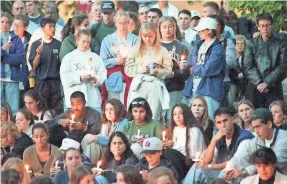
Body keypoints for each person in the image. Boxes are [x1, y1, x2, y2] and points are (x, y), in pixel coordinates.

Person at [183, 107, 254, 183]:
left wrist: (210, 167)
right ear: (216, 124)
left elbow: (234, 162)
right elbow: (206, 161)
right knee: (196, 168)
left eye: (225, 121)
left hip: (239, 172)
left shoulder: (244, 137)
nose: (223, 125)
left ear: (232, 120)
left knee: (227, 171)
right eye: (219, 122)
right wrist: (214, 141)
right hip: (221, 171)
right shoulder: (219, 137)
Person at [223, 108, 287, 182]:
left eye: (258, 126)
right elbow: (238, 158)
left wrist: (246, 171)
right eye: (254, 127)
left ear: (269, 124)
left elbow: (272, 162)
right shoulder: (257, 138)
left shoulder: (284, 139)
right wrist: (227, 170)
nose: (256, 131)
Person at [125, 22, 172, 121]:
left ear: (155, 34)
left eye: (150, 36)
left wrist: (157, 71)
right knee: (136, 113)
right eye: (144, 36)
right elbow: (128, 69)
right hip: (139, 84)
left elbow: (168, 71)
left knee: (153, 114)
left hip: (155, 85)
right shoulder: (135, 50)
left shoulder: (162, 50)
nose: (147, 39)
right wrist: (139, 69)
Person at [182, 17, 225, 120]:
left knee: (209, 119)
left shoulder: (218, 48)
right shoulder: (198, 44)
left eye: (201, 30)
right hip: (192, 87)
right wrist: (186, 66)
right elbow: (189, 63)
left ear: (209, 31)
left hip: (209, 89)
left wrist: (194, 68)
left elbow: (209, 69)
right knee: (189, 119)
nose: (199, 32)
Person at [243, 13, 287, 109]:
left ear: (272, 26)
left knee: (274, 116)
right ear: (258, 27)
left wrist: (267, 82)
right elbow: (248, 66)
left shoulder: (281, 43)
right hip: (254, 86)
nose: (265, 28)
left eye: (268, 25)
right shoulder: (251, 43)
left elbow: (283, 66)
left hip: (274, 86)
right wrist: (259, 82)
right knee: (254, 117)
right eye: (262, 26)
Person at [60, 29, 107, 112]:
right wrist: (79, 78)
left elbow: (103, 74)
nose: (86, 44)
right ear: (77, 40)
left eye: (88, 42)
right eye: (83, 41)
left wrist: (96, 80)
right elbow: (65, 78)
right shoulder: (69, 58)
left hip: (93, 99)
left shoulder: (96, 57)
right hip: (75, 101)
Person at [100, 11, 138, 107]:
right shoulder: (107, 40)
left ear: (129, 23)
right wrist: (115, 61)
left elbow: (140, 57)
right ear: (116, 23)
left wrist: (129, 60)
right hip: (114, 78)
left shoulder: (135, 40)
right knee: (115, 106)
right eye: (120, 23)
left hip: (131, 76)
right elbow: (102, 61)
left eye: (125, 23)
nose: (123, 26)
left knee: (129, 106)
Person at [157, 16, 189, 125]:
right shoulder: (155, 46)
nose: (167, 29)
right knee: (157, 118)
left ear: (174, 28)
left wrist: (174, 73)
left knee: (172, 118)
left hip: (175, 87)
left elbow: (186, 72)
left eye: (170, 26)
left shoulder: (181, 47)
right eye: (164, 27)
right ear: (159, 29)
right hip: (158, 87)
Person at [28, 18, 63, 115]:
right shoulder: (36, 44)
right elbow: (34, 66)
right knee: (42, 109)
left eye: (54, 26)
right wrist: (38, 55)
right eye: (50, 26)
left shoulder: (58, 44)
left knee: (57, 109)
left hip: (55, 82)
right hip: (41, 83)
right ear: (43, 28)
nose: (53, 29)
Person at [81, 99, 129, 164]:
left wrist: (96, 138)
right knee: (88, 137)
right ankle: (81, 159)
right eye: (106, 110)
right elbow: (102, 136)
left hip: (114, 150)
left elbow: (114, 140)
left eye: (111, 109)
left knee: (93, 146)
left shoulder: (124, 122)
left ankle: (85, 164)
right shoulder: (107, 124)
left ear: (118, 110)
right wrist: (96, 137)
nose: (109, 112)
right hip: (105, 149)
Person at [1, 12, 26, 115]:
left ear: (10, 24)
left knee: (12, 111)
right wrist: (2, 49)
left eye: (7, 22)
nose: (4, 24)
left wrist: (3, 56)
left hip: (12, 79)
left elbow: (20, 58)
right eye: (2, 22)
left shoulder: (17, 39)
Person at [209, 15, 236, 107]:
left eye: (216, 24)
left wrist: (211, 66)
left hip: (223, 81)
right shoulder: (201, 43)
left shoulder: (227, 42)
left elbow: (230, 61)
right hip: (206, 82)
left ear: (221, 26)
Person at [12, 14, 32, 94]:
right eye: (15, 25)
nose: (15, 28)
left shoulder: (31, 39)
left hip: (27, 77)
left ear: (25, 27)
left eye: (19, 26)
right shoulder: (7, 38)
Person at [230, 35, 249, 101]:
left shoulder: (247, 58)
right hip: (233, 84)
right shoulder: (230, 58)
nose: (239, 45)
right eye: (237, 43)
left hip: (244, 85)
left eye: (242, 43)